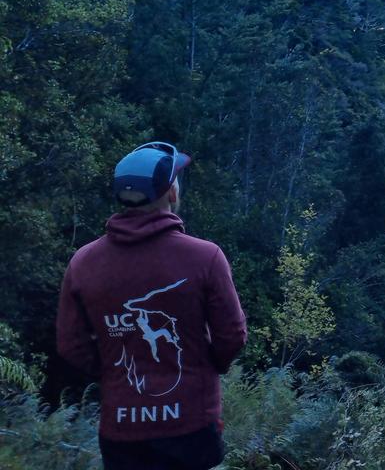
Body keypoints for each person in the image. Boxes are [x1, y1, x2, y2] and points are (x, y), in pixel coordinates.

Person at [57, 141, 247, 470]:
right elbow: (232, 335)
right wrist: (208, 366)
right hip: (192, 423)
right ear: (171, 194)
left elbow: (70, 345)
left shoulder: (83, 263)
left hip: (121, 428)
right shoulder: (205, 257)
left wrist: (111, 373)